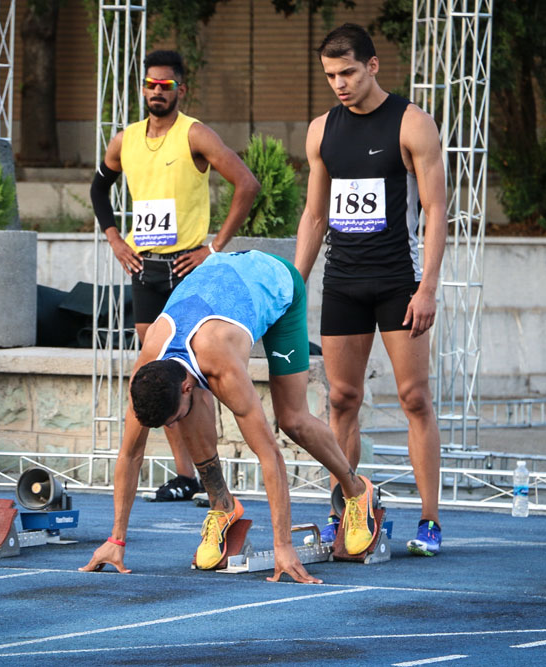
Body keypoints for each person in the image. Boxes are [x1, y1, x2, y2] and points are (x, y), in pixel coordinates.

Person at [79, 250, 377, 583]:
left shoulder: (222, 366)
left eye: (171, 419)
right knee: (188, 415)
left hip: (275, 283)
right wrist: (116, 539)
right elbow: (130, 454)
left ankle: (355, 491)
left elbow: (270, 456)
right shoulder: (148, 369)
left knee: (293, 420)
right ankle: (222, 506)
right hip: (218, 280)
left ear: (189, 385)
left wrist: (283, 546)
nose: (171, 427)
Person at [294, 24, 447, 556]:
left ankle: (429, 520)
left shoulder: (412, 124)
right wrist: (295, 283)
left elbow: (435, 210)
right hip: (343, 283)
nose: (339, 83)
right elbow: (315, 215)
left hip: (397, 282)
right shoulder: (321, 131)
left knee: (414, 398)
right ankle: (346, 510)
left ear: (373, 66)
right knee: (341, 399)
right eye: (331, 75)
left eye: (349, 73)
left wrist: (427, 287)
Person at [90, 50, 260, 501]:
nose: (156, 92)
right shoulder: (123, 141)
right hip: (146, 269)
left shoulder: (195, 135)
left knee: (194, 379)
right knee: (154, 377)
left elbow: (247, 184)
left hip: (189, 269)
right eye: (150, 85)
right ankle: (185, 476)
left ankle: (211, 481)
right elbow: (98, 188)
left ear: (180, 90)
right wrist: (115, 239)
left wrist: (214, 248)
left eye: (165, 85)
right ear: (143, 89)